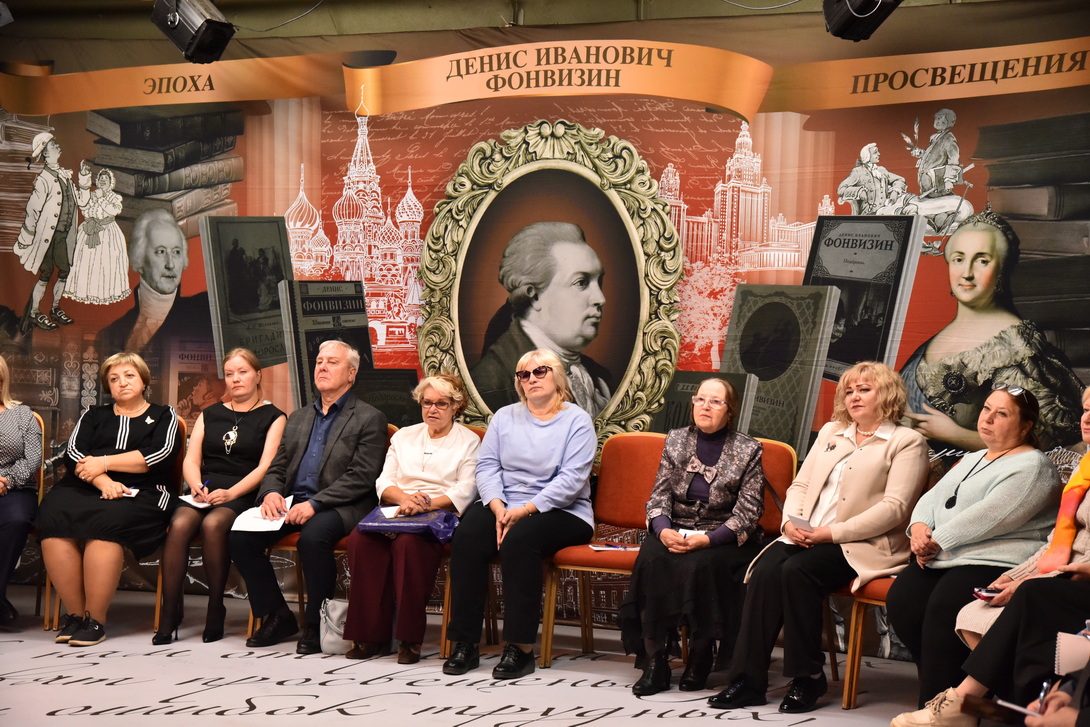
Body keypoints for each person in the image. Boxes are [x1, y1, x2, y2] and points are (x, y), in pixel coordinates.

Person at [708, 361, 929, 714]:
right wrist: (789, 524)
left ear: (887, 394)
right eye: (849, 391)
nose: (854, 397)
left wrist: (831, 533)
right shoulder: (832, 431)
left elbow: (895, 508)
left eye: (864, 390)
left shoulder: (907, 442)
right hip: (807, 535)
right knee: (766, 571)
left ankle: (807, 676)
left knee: (797, 572)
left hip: (861, 544)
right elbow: (801, 484)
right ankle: (748, 681)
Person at [890, 386, 1090, 727]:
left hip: (999, 558)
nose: (988, 418)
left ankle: (952, 705)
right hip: (963, 556)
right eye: (986, 409)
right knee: (905, 596)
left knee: (946, 604)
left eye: (1002, 413)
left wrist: (936, 541)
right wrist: (920, 527)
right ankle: (945, 696)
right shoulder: (975, 458)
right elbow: (932, 499)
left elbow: (990, 516)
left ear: (1026, 426)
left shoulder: (1034, 466)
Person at [444, 348, 596, 679]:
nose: (531, 379)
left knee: (520, 540)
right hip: (504, 503)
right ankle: (465, 643)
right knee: (468, 535)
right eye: (524, 374)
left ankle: (520, 648)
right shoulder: (504, 417)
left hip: (564, 510)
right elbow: (487, 467)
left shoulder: (577, 421)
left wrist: (525, 510)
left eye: (540, 371)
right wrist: (498, 506)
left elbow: (572, 480)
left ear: (557, 376)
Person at [229, 339, 386, 655]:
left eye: (332, 362)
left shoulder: (369, 417)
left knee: (313, 538)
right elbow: (278, 466)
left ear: (351, 373)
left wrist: (315, 504)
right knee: (240, 537)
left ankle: (316, 623)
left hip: (341, 505)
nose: (322, 367)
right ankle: (277, 615)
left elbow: (361, 476)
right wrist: (271, 493)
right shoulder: (299, 417)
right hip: (293, 502)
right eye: (319, 362)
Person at [618, 377, 767, 696]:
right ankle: (656, 661)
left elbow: (749, 511)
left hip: (722, 533)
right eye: (700, 399)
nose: (705, 407)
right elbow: (659, 496)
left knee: (702, 564)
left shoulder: (748, 449)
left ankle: (700, 656)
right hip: (675, 527)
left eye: (715, 401)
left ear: (730, 411)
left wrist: (709, 539)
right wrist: (663, 530)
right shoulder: (676, 440)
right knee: (652, 557)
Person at [900, 206, 1084, 457]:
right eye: (959, 259)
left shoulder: (1013, 346)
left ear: (1001, 270)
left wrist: (953, 433)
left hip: (972, 471)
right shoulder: (941, 335)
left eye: (982, 261)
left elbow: (1038, 440)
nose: (966, 273)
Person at [36, 352, 182, 646]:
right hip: (87, 485)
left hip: (145, 490)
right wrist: (102, 480)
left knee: (106, 521)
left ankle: (96, 620)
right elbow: (74, 454)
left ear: (143, 381)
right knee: (52, 515)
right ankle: (76, 615)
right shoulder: (93, 415)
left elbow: (159, 455)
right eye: (114, 379)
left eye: (129, 375)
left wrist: (103, 463)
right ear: (107, 386)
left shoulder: (164, 415)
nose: (122, 382)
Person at [343, 373, 479, 664]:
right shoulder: (404, 436)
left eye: (441, 403)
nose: (432, 409)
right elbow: (384, 481)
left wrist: (425, 504)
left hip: (439, 514)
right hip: (399, 508)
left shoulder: (469, 441)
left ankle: (409, 638)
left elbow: (466, 490)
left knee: (408, 545)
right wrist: (405, 500)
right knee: (360, 540)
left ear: (456, 406)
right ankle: (368, 636)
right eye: (427, 403)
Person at [153, 348, 286, 645]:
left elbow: (266, 467)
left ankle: (216, 608)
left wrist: (231, 493)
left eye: (242, 372)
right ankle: (170, 613)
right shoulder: (210, 414)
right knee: (179, 524)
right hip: (206, 489)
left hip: (243, 491)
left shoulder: (274, 417)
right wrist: (196, 485)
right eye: (229, 374)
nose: (235, 379)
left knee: (213, 525)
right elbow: (191, 459)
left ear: (257, 375)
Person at [470, 222, 612, 417]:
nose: (600, 299)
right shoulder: (491, 384)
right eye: (581, 282)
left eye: (599, 282)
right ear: (535, 296)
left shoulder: (601, 380)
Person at [97, 209, 212, 358]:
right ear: (139, 259)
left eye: (176, 252)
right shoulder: (111, 334)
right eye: (160, 252)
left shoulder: (206, 311)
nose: (170, 264)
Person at [13, 132, 91, 331]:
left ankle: (55, 308)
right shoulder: (43, 180)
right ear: (46, 154)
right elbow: (33, 210)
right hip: (47, 237)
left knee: (64, 270)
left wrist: (83, 180)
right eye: (54, 145)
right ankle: (34, 313)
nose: (58, 147)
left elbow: (82, 202)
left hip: (63, 236)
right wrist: (26, 237)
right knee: (46, 272)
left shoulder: (65, 176)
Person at [0, 355, 43, 628]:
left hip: (16, 488)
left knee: (16, 520)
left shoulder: (21, 414)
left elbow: (33, 458)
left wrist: (6, 480)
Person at [63, 167, 131, 306]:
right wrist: (85, 182)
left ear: (111, 182)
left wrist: (101, 199)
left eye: (106, 179)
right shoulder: (92, 195)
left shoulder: (114, 197)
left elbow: (114, 210)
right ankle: (85, 292)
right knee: (86, 262)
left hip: (108, 233)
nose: (103, 181)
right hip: (88, 230)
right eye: (101, 179)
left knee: (105, 263)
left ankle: (105, 293)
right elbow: (83, 205)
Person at [837, 143, 913, 216]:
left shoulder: (881, 170)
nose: (879, 154)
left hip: (885, 207)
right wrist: (859, 191)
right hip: (870, 213)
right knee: (902, 212)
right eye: (875, 152)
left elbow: (900, 179)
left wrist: (895, 191)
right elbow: (841, 189)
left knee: (912, 207)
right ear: (867, 156)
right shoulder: (858, 172)